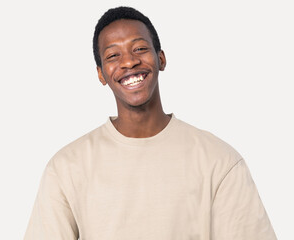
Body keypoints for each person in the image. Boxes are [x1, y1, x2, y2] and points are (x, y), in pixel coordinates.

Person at [24, 6, 277, 240]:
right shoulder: (67, 167)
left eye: (140, 49)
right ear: (101, 74)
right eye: (113, 55)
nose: (128, 61)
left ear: (161, 59)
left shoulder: (219, 161)